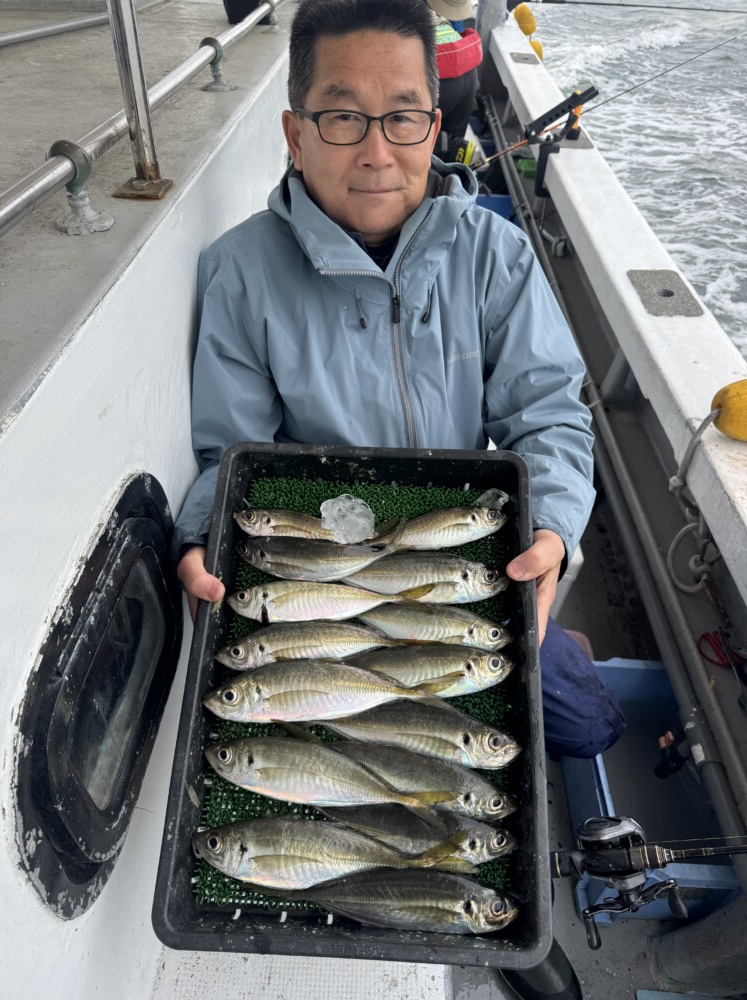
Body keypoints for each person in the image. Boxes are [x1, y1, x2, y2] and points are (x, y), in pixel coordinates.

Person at [174, 0, 624, 759]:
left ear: (435, 127)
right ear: (295, 134)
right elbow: (230, 455)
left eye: (403, 117)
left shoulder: (497, 256)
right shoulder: (239, 273)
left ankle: (561, 643)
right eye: (343, 118)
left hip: (455, 558)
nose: (377, 152)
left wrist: (548, 526)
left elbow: (547, 411)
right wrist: (199, 536)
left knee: (591, 728)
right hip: (319, 571)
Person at [427, 0, 482, 162]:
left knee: (410, 133)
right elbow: (459, 29)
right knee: (453, 145)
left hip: (436, 72)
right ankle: (452, 157)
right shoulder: (446, 13)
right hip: (467, 72)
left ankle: (447, 147)